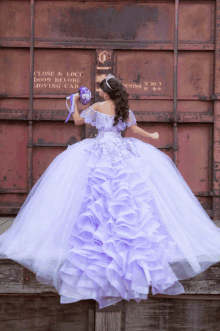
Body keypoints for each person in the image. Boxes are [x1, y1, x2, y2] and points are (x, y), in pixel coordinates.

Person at [1, 74, 220, 310]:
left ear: (105, 92)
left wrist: (74, 103)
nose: (99, 92)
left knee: (95, 195)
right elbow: (134, 129)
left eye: (101, 89)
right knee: (126, 194)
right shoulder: (123, 107)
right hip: (121, 149)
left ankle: (95, 239)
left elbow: (77, 122)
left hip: (99, 148)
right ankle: (126, 240)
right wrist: (153, 136)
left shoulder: (96, 106)